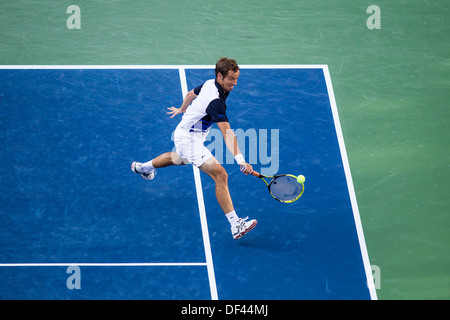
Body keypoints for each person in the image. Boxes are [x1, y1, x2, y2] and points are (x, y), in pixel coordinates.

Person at [131, 57, 257, 240]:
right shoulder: (216, 102)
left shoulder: (209, 83)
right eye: (231, 79)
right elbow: (227, 134)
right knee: (220, 175)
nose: (234, 83)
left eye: (236, 79)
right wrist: (240, 160)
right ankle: (235, 224)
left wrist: (183, 109)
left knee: (179, 159)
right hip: (190, 139)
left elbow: (191, 94)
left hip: (186, 133)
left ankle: (143, 167)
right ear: (220, 76)